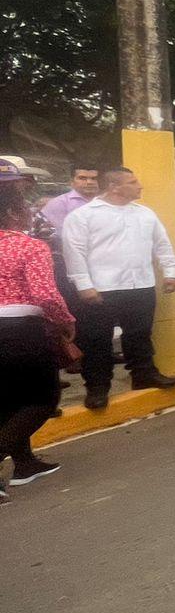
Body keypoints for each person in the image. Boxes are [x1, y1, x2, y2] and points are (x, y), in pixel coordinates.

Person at [60, 167, 175, 410]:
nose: (140, 186)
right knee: (96, 340)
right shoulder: (84, 216)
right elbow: (74, 252)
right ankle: (97, 386)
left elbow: (162, 244)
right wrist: (84, 285)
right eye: (133, 182)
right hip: (101, 288)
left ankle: (143, 374)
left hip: (140, 284)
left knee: (139, 334)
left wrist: (170, 273)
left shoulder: (145, 214)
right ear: (115, 187)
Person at [0, 163, 75, 500]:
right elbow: (45, 294)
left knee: (7, 399)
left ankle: (25, 463)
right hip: (20, 330)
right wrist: (66, 321)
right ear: (16, 214)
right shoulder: (28, 247)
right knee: (43, 398)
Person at [39, 164, 99, 242]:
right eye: (82, 178)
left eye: (94, 178)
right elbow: (59, 235)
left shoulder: (108, 202)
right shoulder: (59, 203)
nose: (89, 182)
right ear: (72, 182)